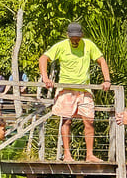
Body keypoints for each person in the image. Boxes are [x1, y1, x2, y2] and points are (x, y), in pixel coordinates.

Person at [39, 22, 112, 162]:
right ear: (68, 36)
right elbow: (43, 58)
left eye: (77, 38)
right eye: (73, 38)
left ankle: (89, 155)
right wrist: (45, 78)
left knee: (89, 121)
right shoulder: (61, 46)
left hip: (84, 89)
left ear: (81, 36)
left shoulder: (88, 45)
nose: (75, 41)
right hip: (66, 89)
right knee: (66, 121)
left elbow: (101, 60)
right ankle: (67, 154)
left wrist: (107, 80)